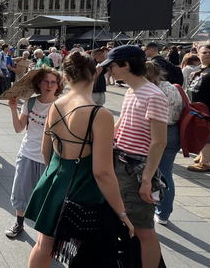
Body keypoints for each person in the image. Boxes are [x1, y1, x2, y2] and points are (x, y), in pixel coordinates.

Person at [25, 52, 134, 268]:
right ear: (95, 74)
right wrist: (122, 212)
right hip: (83, 188)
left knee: (44, 244)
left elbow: (46, 151)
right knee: (91, 252)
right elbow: (102, 172)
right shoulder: (98, 114)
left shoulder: (55, 105)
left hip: (55, 180)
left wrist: (57, 177)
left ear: (65, 75)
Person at [102, 45, 167, 268]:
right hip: (121, 163)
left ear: (126, 65)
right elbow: (121, 125)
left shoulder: (154, 95)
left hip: (136, 169)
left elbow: (160, 141)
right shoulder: (131, 91)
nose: (110, 70)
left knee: (143, 230)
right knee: (129, 224)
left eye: (111, 66)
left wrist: (147, 179)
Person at [5, 67, 63, 238]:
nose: (49, 85)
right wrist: (13, 109)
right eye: (45, 81)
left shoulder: (61, 105)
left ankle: (45, 229)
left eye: (53, 82)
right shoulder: (30, 103)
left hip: (51, 158)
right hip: (27, 153)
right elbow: (18, 128)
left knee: (47, 195)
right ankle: (19, 223)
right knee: (21, 191)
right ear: (38, 83)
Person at [142, 61, 184, 226]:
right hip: (173, 131)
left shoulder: (149, 90)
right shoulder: (172, 87)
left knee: (147, 171)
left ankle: (150, 206)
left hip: (155, 132)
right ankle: (164, 213)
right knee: (166, 173)